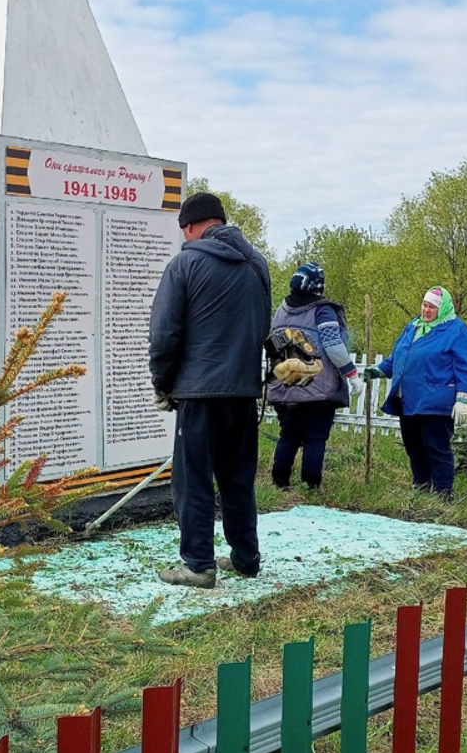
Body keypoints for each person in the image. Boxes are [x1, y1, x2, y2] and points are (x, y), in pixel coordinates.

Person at [148, 192, 272, 588]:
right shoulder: (257, 265)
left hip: (199, 393)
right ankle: (246, 558)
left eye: (183, 230)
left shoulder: (185, 263)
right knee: (237, 478)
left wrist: (163, 384)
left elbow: (165, 334)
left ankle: (199, 564)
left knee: (193, 479)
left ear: (190, 226)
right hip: (244, 391)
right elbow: (262, 327)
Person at [363, 286, 467, 499]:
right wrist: (379, 370)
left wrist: (463, 398)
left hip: (436, 400)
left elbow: (465, 366)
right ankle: (421, 487)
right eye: (424, 305)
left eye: (431, 307)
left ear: (441, 309)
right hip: (408, 399)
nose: (426, 310)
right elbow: (399, 356)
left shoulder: (457, 331)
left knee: (436, 447)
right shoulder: (413, 326)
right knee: (414, 446)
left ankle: (443, 494)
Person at [265, 262, 365, 490]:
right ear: (318, 286)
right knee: (315, 438)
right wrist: (352, 374)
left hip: (285, 386)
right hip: (316, 387)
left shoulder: (281, 310)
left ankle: (279, 483)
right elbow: (333, 345)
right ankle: (311, 486)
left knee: (288, 436)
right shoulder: (323, 310)